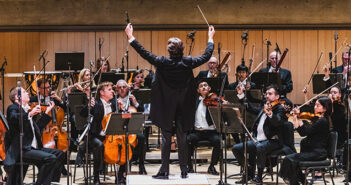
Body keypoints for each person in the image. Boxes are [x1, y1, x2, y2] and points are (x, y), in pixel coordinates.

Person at [125, 23, 215, 179]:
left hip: (166, 105)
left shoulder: (162, 62)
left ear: (169, 50)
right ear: (182, 49)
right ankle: (184, 170)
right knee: (182, 137)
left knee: (167, 137)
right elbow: (207, 56)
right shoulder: (188, 62)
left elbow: (144, 53)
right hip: (184, 105)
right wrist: (210, 38)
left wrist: (131, 37)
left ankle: (164, 170)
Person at [4, 87, 64, 185]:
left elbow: (38, 129)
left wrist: (47, 111)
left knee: (60, 154)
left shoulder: (27, 110)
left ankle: (49, 181)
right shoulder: (13, 108)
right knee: (50, 158)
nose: (27, 93)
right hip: (22, 149)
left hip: (33, 148)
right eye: (24, 92)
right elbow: (13, 117)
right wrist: (30, 114)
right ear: (17, 97)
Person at [232, 84, 286, 184]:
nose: (267, 96)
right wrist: (241, 95)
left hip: (273, 141)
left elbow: (278, 121)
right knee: (236, 148)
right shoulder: (264, 106)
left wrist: (270, 114)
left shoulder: (280, 109)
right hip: (258, 140)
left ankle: (259, 177)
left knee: (260, 147)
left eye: (270, 94)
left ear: (277, 97)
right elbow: (250, 108)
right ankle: (247, 169)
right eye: (266, 94)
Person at [279, 96, 331, 185]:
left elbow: (304, 132)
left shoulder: (322, 121)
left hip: (318, 153)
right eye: (315, 105)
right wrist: (296, 117)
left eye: (318, 105)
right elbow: (303, 132)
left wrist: (297, 118)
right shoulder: (319, 120)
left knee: (289, 159)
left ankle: (297, 182)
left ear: (325, 108)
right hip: (314, 152)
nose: (315, 107)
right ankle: (302, 181)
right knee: (292, 160)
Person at [78, 82, 116, 185]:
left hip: (109, 136)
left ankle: (120, 176)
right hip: (94, 136)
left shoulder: (114, 104)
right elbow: (82, 113)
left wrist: (120, 109)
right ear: (102, 92)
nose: (112, 91)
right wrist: (89, 106)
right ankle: (96, 176)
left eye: (112, 89)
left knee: (123, 144)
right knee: (99, 146)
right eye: (109, 89)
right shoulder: (96, 103)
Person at [113, 79, 146, 183]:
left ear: (128, 88)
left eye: (124, 87)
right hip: (118, 130)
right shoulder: (113, 100)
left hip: (132, 130)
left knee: (141, 138)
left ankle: (141, 165)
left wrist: (135, 103)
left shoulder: (133, 99)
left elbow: (141, 111)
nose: (122, 89)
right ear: (116, 89)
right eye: (120, 87)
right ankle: (121, 172)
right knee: (125, 144)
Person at [187, 81, 221, 175]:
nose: (203, 87)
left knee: (218, 141)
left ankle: (212, 166)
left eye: (205, 85)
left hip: (211, 132)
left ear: (209, 88)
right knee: (187, 140)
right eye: (201, 86)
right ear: (198, 90)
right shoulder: (194, 101)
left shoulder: (214, 100)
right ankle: (189, 167)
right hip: (197, 132)